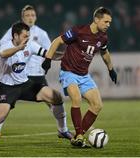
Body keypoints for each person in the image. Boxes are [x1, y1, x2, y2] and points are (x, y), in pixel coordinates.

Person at [0, 22, 71, 151]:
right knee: (0, 115)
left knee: (56, 97)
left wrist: (64, 56)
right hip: (8, 87)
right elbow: (3, 54)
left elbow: (47, 53)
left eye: (28, 35)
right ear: (15, 35)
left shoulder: (31, 45)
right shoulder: (6, 45)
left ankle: (63, 130)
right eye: (24, 36)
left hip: (25, 84)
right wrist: (18, 48)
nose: (27, 38)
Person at [0, 5, 72, 140]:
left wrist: (58, 57)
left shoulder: (42, 34)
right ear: (22, 17)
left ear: (36, 17)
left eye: (32, 15)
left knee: (53, 100)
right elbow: (3, 46)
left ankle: (63, 129)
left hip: (37, 73)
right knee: (5, 102)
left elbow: (49, 51)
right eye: (27, 15)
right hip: (21, 74)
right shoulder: (12, 32)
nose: (30, 18)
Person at [42, 7, 117, 148]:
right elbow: (58, 41)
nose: (108, 25)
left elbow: (104, 52)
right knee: (76, 98)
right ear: (96, 19)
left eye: (110, 22)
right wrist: (48, 59)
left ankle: (78, 136)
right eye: (106, 21)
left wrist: (111, 69)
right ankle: (80, 135)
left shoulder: (103, 37)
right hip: (68, 72)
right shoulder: (79, 31)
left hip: (84, 75)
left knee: (97, 105)